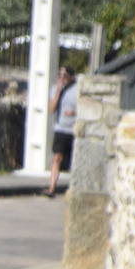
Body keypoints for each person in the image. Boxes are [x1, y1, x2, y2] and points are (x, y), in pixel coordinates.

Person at [47, 65, 78, 198]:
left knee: (73, 161)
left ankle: (73, 188)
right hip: (60, 129)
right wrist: (58, 92)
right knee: (57, 158)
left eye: (64, 76)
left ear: (71, 76)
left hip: (74, 129)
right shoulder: (55, 89)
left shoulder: (77, 90)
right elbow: (51, 109)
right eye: (59, 75)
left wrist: (74, 113)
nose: (61, 78)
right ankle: (52, 187)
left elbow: (85, 108)